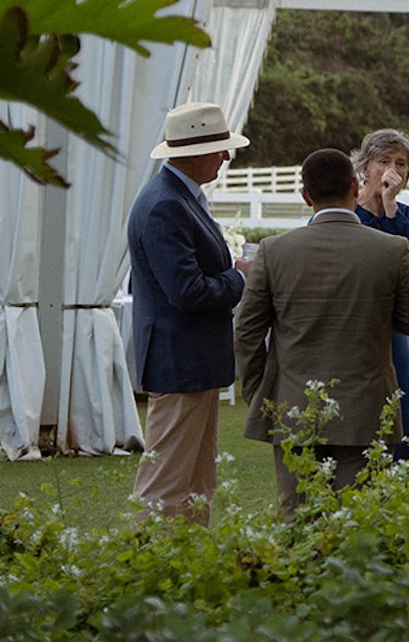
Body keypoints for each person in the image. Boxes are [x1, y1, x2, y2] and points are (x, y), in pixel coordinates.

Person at [235, 149, 409, 518]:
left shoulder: (273, 251)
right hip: (368, 410)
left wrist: (260, 393)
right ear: (356, 187)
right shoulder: (391, 250)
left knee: (298, 521)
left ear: (305, 195)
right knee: (361, 526)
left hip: (293, 408)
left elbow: (246, 330)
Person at [125, 101, 252, 524]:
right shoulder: (166, 205)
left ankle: (188, 565)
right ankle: (145, 569)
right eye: (220, 148)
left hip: (192, 361)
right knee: (164, 481)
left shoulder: (180, 198)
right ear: (195, 152)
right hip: (180, 362)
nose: (226, 156)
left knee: (198, 478)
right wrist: (239, 277)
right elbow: (187, 291)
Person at [351, 128, 409, 463]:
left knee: (396, 406)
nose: (392, 170)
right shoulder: (346, 214)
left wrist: (390, 207)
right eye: (384, 161)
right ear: (366, 166)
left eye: (401, 163)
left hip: (392, 327)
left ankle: (399, 478)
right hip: (351, 325)